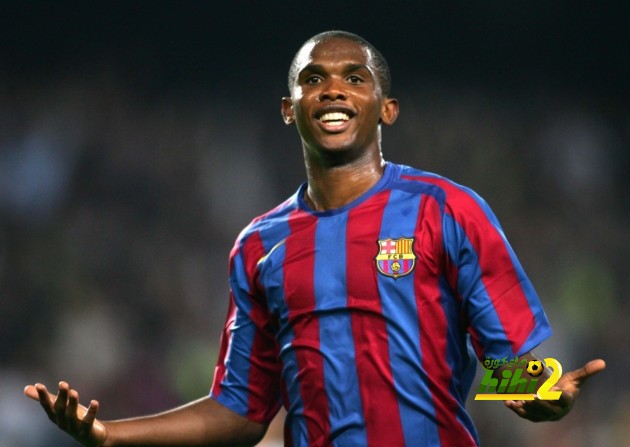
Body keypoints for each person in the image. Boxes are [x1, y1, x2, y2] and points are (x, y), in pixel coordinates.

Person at [25, 30, 606, 447]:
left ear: (387, 109)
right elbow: (242, 411)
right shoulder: (259, 245)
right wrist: (110, 435)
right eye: (313, 79)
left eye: (354, 78)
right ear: (289, 109)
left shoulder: (448, 209)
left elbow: (503, 365)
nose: (332, 90)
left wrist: (544, 392)